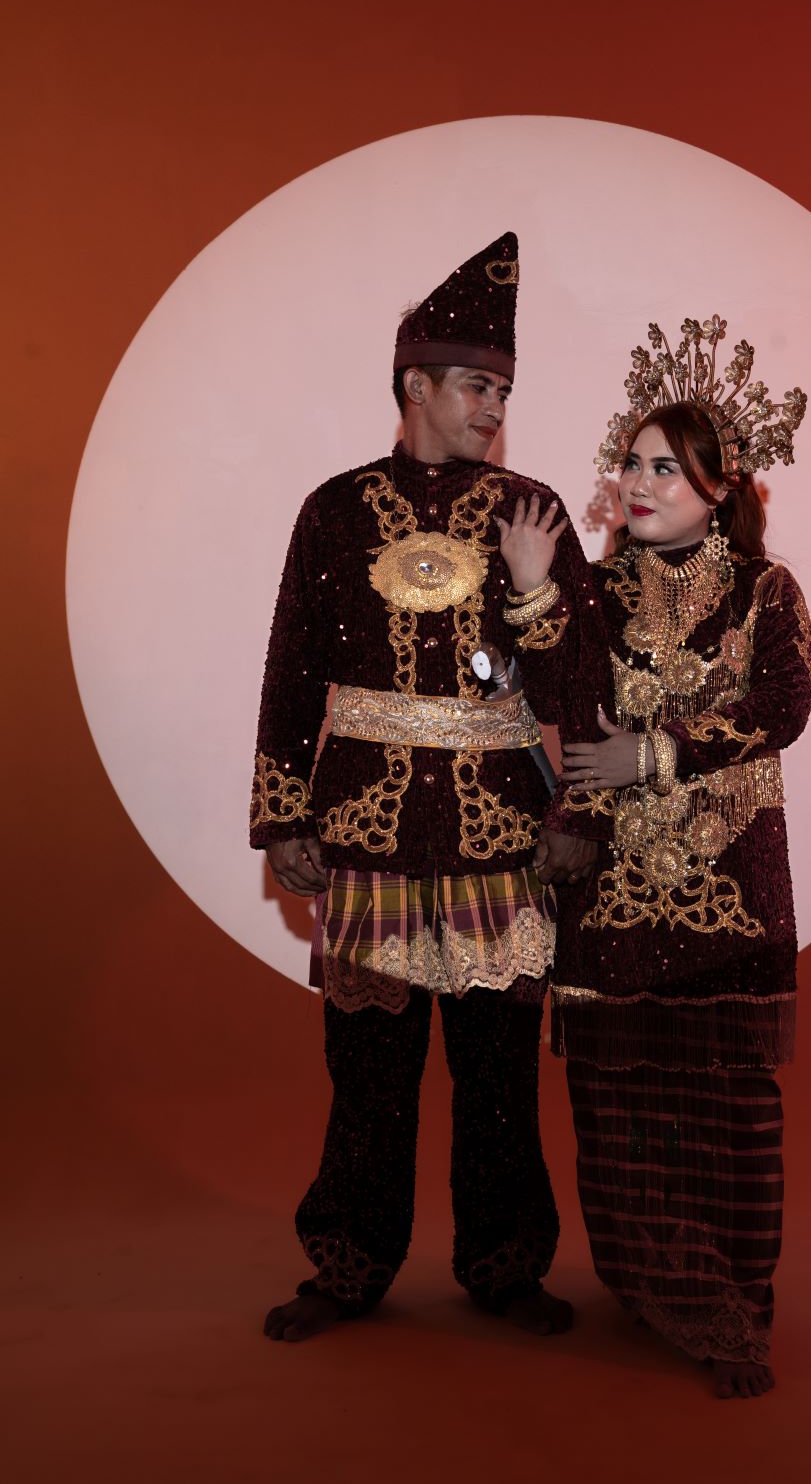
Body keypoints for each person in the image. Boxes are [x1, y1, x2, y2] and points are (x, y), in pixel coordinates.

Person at [251, 233, 599, 1343]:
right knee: (367, 1074)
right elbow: (292, 670)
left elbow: (582, 686)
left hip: (502, 837)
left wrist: (576, 811)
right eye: (476, 387)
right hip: (366, 833)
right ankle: (348, 1264)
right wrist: (282, 812)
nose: (494, 407)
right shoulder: (334, 510)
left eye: (505, 391)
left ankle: (505, 1265)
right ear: (416, 386)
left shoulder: (534, 510)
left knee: (500, 1075)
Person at [497, 315, 811, 1397]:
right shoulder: (595, 592)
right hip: (615, 890)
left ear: (719, 488)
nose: (636, 483)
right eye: (629, 463)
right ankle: (656, 1286)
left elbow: (784, 705)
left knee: (729, 1110)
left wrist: (660, 748)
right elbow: (558, 691)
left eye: (664, 467)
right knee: (620, 1108)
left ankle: (732, 1304)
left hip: (732, 890)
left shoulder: (767, 592)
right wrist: (534, 585)